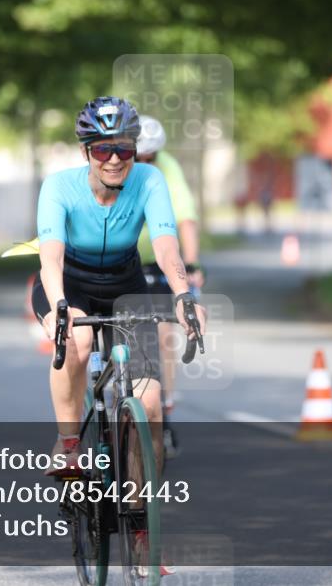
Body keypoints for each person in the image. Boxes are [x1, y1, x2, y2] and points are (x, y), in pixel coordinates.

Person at [32, 97, 207, 477]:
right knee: (76, 341)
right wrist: (60, 306)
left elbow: (165, 244)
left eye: (124, 147)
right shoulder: (59, 187)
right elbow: (51, 259)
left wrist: (182, 294)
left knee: (151, 399)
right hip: (69, 282)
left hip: (124, 284)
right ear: (86, 152)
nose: (115, 158)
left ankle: (139, 508)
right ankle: (68, 446)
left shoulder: (149, 180)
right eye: (103, 148)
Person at [135, 115, 203, 458]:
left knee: (164, 337)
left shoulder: (167, 167)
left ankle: (165, 411)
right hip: (125, 260)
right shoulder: (115, 166)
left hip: (162, 260)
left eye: (152, 158)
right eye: (140, 158)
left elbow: (185, 218)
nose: (145, 164)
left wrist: (191, 266)